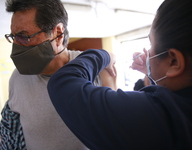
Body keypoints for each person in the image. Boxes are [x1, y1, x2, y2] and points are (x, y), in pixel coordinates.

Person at [47, 0, 192, 149]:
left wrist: (104, 55)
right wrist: (155, 71)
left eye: (151, 44)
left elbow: (62, 84)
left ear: (174, 62)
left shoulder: (161, 119)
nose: (149, 53)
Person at [0, 0, 117, 149]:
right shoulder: (17, 78)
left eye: (24, 36)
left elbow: (113, 132)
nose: (16, 46)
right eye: (14, 37)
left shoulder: (99, 71)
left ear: (58, 34)